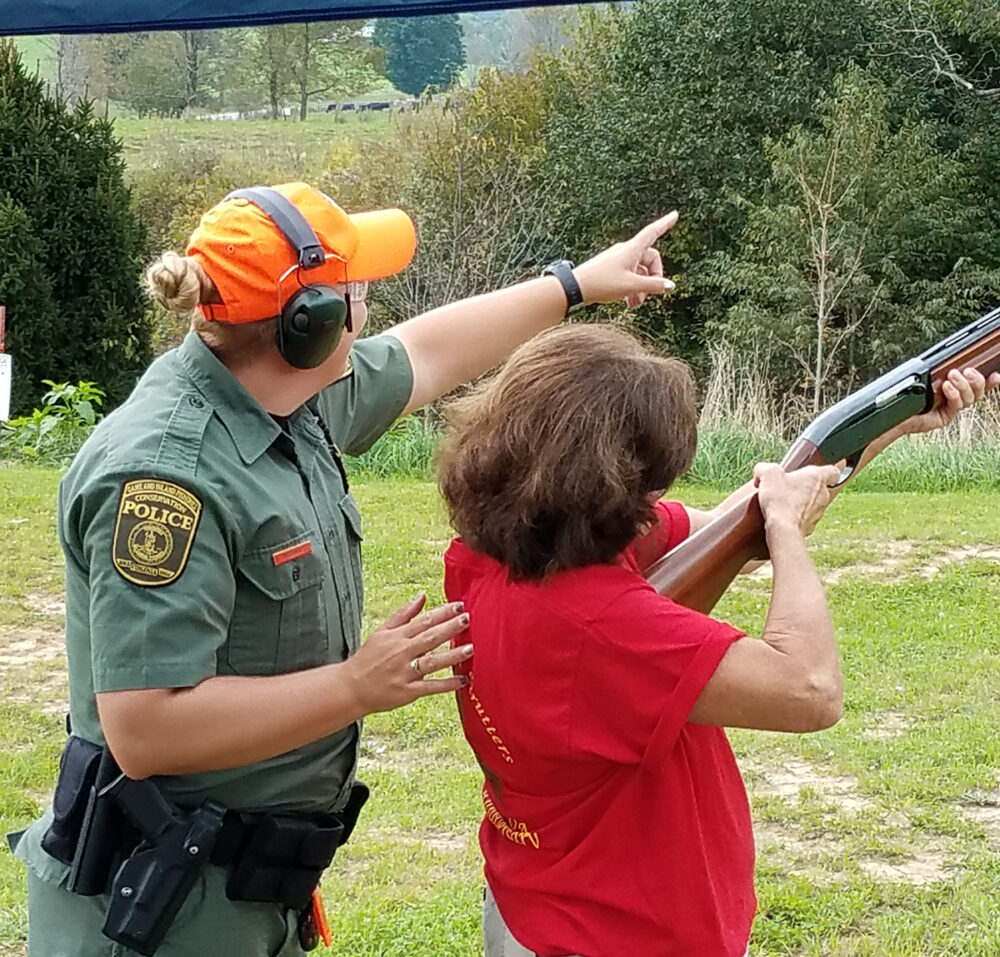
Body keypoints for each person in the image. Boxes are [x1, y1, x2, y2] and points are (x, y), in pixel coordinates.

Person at [9, 182, 681, 957]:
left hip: (240, 886)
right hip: (168, 912)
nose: (370, 304)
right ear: (310, 326)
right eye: (356, 289)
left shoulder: (284, 393)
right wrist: (356, 685)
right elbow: (144, 727)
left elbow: (428, 354)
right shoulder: (164, 478)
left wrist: (576, 284)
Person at [436, 323, 994, 957]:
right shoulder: (600, 624)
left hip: (539, 905)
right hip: (619, 933)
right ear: (609, 483)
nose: (658, 496)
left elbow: (732, 529)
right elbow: (811, 690)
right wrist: (786, 530)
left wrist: (889, 425)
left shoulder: (504, 547)